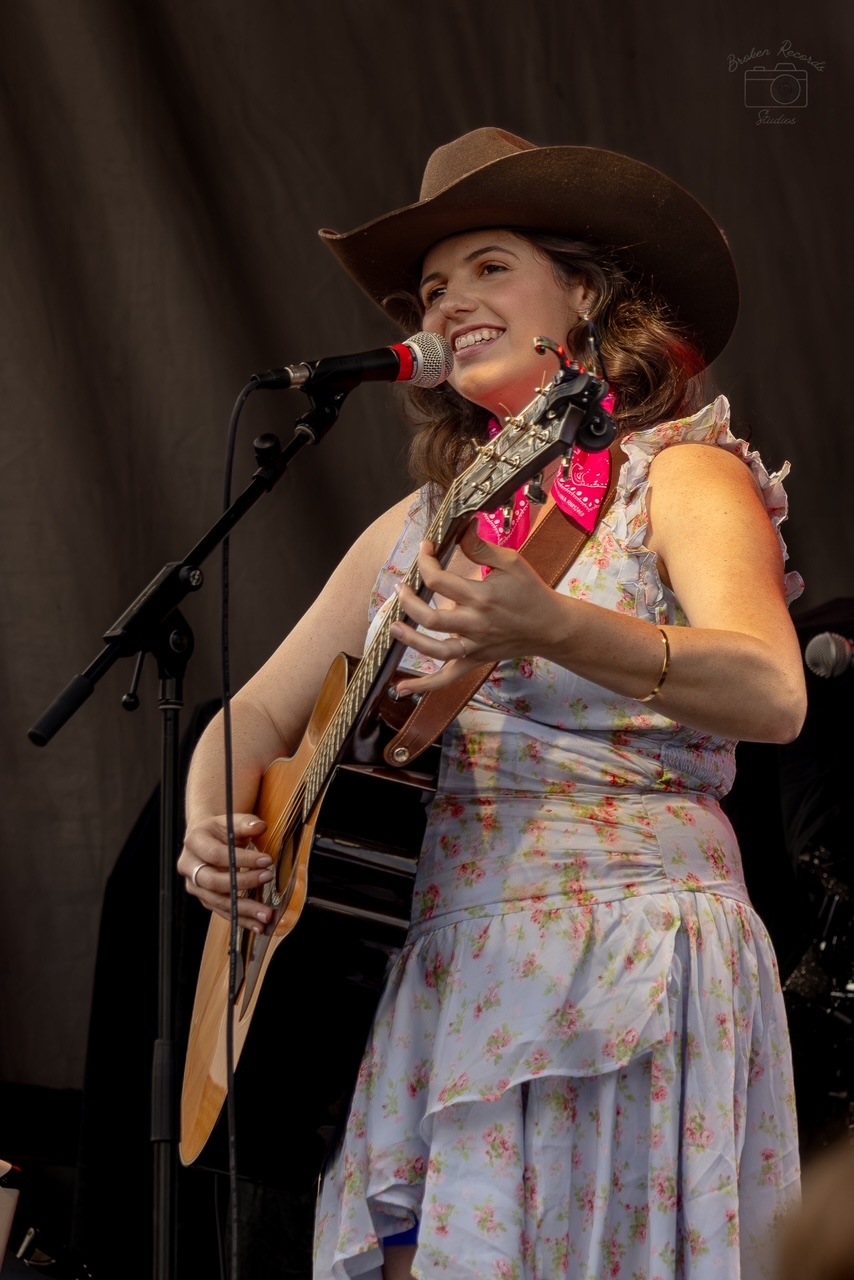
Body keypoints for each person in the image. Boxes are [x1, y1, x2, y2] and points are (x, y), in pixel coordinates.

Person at [178, 128, 807, 1279]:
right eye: (429, 287)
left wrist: (554, 625)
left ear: (585, 293)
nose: (447, 301)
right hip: (452, 977)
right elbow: (251, 715)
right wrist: (208, 821)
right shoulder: (415, 530)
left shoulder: (680, 472)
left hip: (627, 959)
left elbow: (770, 691)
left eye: (486, 266)